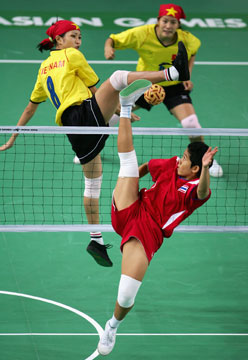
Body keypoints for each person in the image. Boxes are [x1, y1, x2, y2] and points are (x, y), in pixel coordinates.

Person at [0, 20, 190, 267]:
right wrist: (117, 109)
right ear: (59, 41)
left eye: (79, 37)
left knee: (92, 186)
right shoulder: (71, 55)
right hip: (83, 115)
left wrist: (12, 137)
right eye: (73, 36)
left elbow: (29, 109)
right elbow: (94, 90)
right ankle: (172, 73)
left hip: (74, 131)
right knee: (118, 78)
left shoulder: (42, 70)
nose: (78, 41)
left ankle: (95, 239)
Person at [98, 79, 218, 355]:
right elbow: (143, 167)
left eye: (187, 159)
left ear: (197, 168)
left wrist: (207, 171)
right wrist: (127, 180)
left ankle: (113, 326)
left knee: (127, 292)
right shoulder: (171, 165)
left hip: (148, 233)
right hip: (131, 206)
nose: (181, 159)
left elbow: (203, 189)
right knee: (127, 164)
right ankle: (125, 108)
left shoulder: (195, 191)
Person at [104, 3, 223, 178]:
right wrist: (109, 47)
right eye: (165, 21)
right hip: (146, 84)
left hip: (174, 87)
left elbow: (193, 52)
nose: (168, 26)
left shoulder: (188, 39)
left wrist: (187, 75)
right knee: (112, 116)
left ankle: (206, 160)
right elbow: (113, 38)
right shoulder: (142, 34)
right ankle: (92, 149)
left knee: (192, 125)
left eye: (173, 22)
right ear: (158, 21)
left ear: (178, 25)